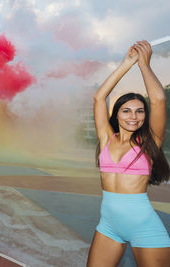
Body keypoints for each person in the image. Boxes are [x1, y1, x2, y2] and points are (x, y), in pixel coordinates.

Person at [88, 40, 170, 266]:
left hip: (144, 226)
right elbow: (99, 98)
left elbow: (159, 99)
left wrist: (144, 64)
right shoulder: (106, 138)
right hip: (108, 227)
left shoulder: (149, 142)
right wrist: (127, 63)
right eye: (126, 111)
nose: (133, 117)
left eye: (139, 111)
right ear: (117, 114)